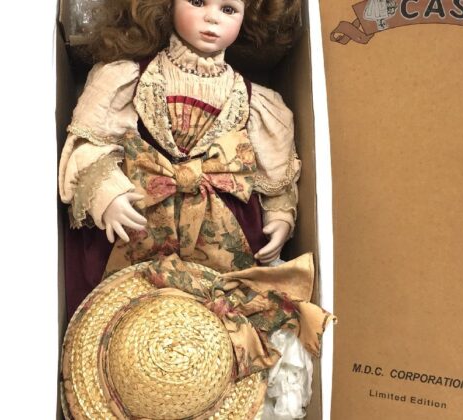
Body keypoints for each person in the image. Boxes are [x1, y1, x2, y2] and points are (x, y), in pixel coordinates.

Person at [59, 0, 316, 417]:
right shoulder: (127, 77)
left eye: (229, 9)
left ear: (251, 16)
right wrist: (107, 191)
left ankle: (198, 384)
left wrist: (280, 215)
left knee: (211, 320)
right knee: (130, 321)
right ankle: (127, 366)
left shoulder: (257, 101)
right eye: (197, 2)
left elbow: (275, 172)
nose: (212, 18)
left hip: (219, 231)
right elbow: (92, 142)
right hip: (138, 218)